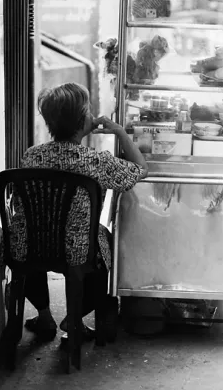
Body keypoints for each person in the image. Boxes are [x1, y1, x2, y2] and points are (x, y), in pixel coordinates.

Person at [8, 82, 148, 341]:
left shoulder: (31, 156)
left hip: (31, 247)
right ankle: (73, 319)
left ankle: (45, 317)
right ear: (83, 119)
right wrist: (119, 132)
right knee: (105, 244)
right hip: (78, 249)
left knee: (27, 235)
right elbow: (140, 169)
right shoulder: (95, 160)